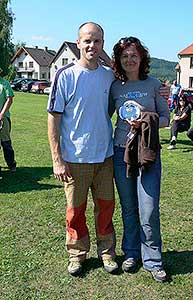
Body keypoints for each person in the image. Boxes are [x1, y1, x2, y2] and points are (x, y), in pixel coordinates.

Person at [47, 22, 118, 276]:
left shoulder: (109, 75)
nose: (92, 45)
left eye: (97, 41)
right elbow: (53, 117)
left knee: (106, 208)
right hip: (75, 159)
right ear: (78, 43)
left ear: (103, 44)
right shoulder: (64, 75)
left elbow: (127, 90)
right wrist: (57, 159)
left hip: (105, 157)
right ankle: (77, 254)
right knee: (75, 212)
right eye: (87, 40)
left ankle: (107, 252)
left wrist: (160, 89)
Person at [109, 37, 170, 282]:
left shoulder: (155, 85)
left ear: (141, 57)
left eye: (133, 55)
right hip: (121, 153)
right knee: (129, 208)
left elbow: (166, 118)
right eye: (124, 56)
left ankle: (153, 260)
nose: (129, 60)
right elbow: (105, 116)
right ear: (119, 61)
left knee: (149, 209)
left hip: (148, 154)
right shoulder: (115, 87)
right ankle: (132, 253)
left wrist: (148, 121)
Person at [0, 67, 16, 172]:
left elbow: (9, 99)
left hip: (3, 119)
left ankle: (11, 165)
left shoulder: (4, 84)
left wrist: (1, 114)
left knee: (6, 143)